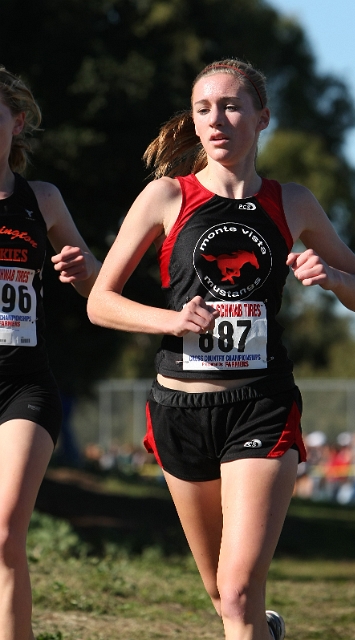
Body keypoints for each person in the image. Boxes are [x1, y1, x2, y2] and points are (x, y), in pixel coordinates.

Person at [87, 58, 355, 639]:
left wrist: (333, 277)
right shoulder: (167, 197)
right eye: (203, 108)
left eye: (231, 105)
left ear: (262, 118)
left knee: (239, 590)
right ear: (193, 123)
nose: (216, 118)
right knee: (223, 596)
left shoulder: (291, 202)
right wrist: (171, 319)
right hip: (180, 410)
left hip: (260, 405)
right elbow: (101, 302)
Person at [0, 66, 100, 639]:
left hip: (24, 388)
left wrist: (84, 271)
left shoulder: (43, 199)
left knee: (6, 533)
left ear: (16, 123)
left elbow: (99, 293)